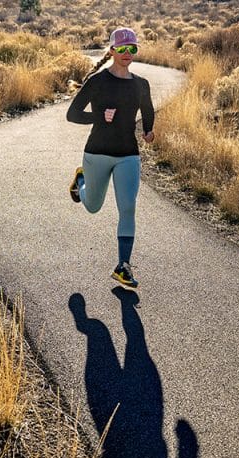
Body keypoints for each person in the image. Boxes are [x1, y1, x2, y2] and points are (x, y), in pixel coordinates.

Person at [66, 27, 155, 289]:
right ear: (113, 50)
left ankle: (123, 266)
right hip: (97, 153)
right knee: (93, 206)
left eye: (133, 49)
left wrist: (148, 131)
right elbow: (72, 114)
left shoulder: (141, 84)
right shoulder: (97, 81)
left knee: (127, 207)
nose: (128, 54)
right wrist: (98, 116)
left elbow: (148, 110)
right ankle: (81, 180)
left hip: (128, 154)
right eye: (123, 49)